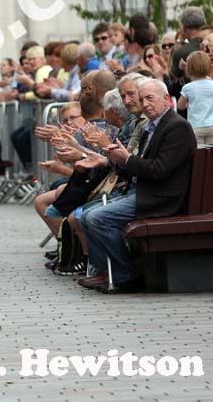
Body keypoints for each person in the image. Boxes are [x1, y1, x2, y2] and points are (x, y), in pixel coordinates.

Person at [77, 80, 196, 293]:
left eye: (150, 98)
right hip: (142, 190)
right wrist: (116, 159)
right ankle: (107, 270)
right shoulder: (149, 127)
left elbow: (159, 171)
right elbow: (137, 166)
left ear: (166, 99)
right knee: (86, 214)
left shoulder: (177, 126)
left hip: (161, 196)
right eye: (142, 99)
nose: (145, 103)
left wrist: (127, 160)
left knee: (97, 218)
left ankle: (126, 274)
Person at [177, 51, 213, 145]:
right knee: (212, 154)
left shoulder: (187, 88)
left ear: (188, 69)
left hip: (196, 126)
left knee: (198, 156)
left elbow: (180, 106)